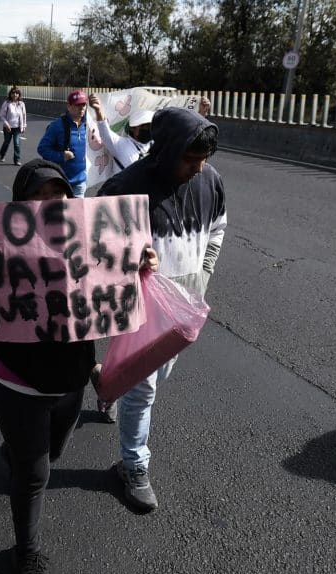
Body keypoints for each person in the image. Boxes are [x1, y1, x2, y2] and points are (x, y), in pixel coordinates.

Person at [0, 159, 158, 574]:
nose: (49, 206)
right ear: (18, 208)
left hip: (69, 385)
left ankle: (18, 452)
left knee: (52, 450)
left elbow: (111, 305)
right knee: (35, 472)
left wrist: (138, 268)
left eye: (57, 197)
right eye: (37, 199)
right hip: (15, 382)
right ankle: (26, 551)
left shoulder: (85, 245)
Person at [98, 107, 227, 512]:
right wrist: (128, 264)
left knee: (155, 374)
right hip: (138, 305)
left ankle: (108, 380)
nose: (198, 168)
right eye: (190, 160)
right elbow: (94, 246)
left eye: (203, 160)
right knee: (145, 389)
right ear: (168, 150)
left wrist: (202, 274)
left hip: (185, 306)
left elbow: (218, 228)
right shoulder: (126, 187)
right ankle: (134, 465)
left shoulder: (210, 182)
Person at [38, 89, 89, 197]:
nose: (82, 108)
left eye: (84, 104)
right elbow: (42, 149)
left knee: (77, 213)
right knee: (60, 213)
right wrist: (61, 156)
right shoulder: (57, 126)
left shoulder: (89, 125)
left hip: (80, 181)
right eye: (77, 105)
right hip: (61, 182)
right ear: (69, 106)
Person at [90, 93, 154, 172]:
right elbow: (105, 132)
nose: (149, 130)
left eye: (151, 126)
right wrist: (98, 110)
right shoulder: (121, 144)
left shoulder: (154, 145)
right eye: (145, 127)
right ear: (133, 129)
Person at [0, 87, 27, 165]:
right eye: (13, 93)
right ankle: (2, 154)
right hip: (8, 127)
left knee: (16, 143)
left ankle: (17, 160)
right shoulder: (7, 103)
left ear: (19, 95)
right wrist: (7, 124)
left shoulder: (21, 104)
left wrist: (24, 125)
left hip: (17, 127)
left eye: (16, 93)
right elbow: (2, 116)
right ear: (10, 94)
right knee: (6, 142)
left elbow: (24, 115)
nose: (15, 95)